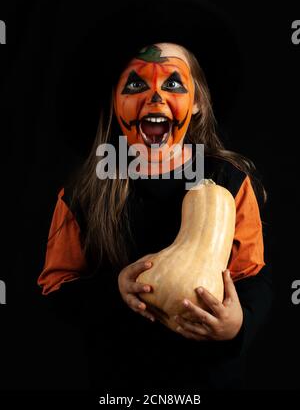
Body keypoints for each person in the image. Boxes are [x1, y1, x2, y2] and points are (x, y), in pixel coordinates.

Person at [37, 42, 272, 392]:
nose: (156, 97)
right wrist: (113, 291)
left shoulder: (228, 182)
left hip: (207, 381)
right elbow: (56, 287)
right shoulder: (82, 195)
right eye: (135, 85)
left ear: (197, 103)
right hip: (119, 382)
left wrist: (238, 324)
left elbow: (251, 277)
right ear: (115, 101)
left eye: (173, 84)